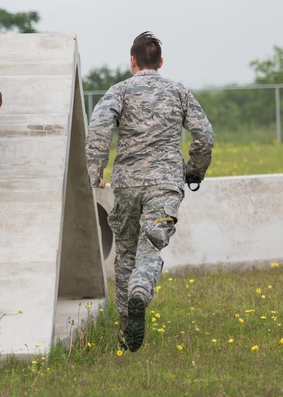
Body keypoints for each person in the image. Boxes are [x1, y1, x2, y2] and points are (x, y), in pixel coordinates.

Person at [85, 31, 215, 352]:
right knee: (150, 246)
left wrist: (94, 171)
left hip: (127, 184)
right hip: (166, 184)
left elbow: (100, 124)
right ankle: (142, 289)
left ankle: (128, 329)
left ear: (132, 61)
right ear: (160, 62)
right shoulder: (179, 92)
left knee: (126, 249)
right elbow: (205, 135)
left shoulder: (120, 91)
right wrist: (194, 170)